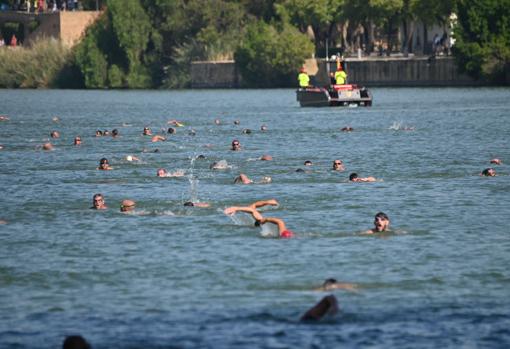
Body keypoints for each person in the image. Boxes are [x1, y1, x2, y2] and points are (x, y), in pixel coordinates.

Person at [224, 200, 294, 238]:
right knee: (252, 207)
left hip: (265, 223)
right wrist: (236, 208)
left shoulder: (261, 223)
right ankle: (268, 202)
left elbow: (280, 221)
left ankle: (268, 202)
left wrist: (237, 208)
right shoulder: (262, 222)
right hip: (266, 222)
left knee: (252, 207)